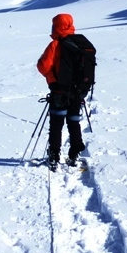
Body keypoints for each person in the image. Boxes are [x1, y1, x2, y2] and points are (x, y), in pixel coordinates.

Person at [36, 13, 86, 167]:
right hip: (77, 93)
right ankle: (75, 152)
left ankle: (54, 155)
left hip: (59, 92)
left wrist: (52, 81)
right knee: (73, 122)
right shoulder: (81, 43)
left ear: (56, 26)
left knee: (56, 125)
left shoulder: (56, 45)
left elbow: (43, 66)